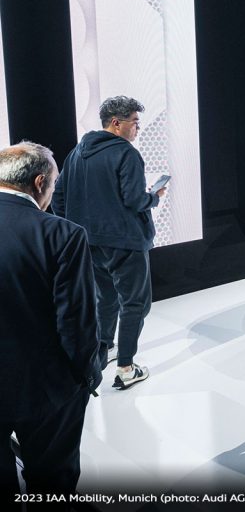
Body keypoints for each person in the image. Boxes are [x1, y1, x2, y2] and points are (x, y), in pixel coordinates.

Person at [0, 142, 102, 497]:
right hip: (45, 388)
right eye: (55, 184)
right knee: (51, 484)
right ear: (40, 182)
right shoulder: (63, 234)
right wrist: (87, 374)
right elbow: (76, 322)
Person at [52, 96, 165, 390]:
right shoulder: (127, 153)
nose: (138, 128)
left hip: (89, 243)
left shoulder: (76, 153)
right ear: (116, 123)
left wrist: (76, 228)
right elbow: (135, 200)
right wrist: (154, 197)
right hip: (125, 242)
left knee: (106, 299)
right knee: (135, 304)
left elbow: (58, 197)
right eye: (135, 122)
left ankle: (102, 352)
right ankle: (126, 368)